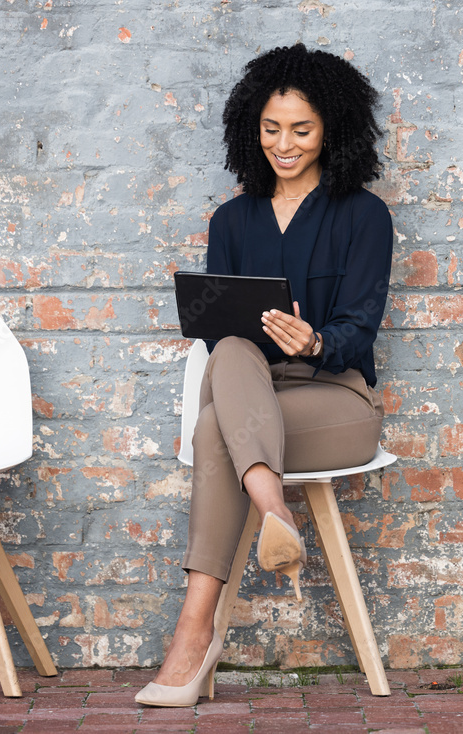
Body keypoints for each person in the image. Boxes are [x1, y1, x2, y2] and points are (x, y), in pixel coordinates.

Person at [136, 43, 393, 707]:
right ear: (251, 128)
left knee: (216, 427)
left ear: (333, 128)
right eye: (271, 129)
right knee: (228, 350)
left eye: (302, 130)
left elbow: (360, 329)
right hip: (253, 393)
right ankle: (273, 507)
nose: (284, 144)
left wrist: (315, 339)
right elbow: (221, 327)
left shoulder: (364, 215)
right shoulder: (232, 219)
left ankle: (191, 637)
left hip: (335, 401)